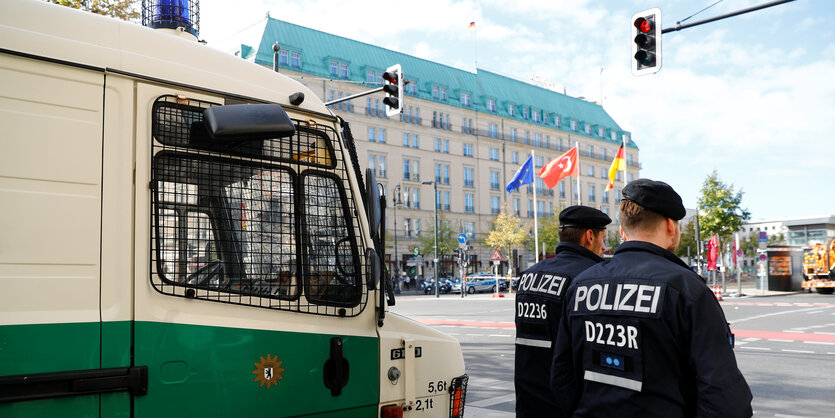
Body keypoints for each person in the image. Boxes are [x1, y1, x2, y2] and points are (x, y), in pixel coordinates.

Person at [551, 179, 752, 417]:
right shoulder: (686, 289)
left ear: (624, 230)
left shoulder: (582, 285)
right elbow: (723, 395)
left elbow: (562, 376)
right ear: (670, 226)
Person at [514, 205, 611, 418]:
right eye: (603, 239)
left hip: (528, 400)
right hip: (567, 405)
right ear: (589, 237)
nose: (604, 247)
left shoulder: (529, 276)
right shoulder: (589, 279)